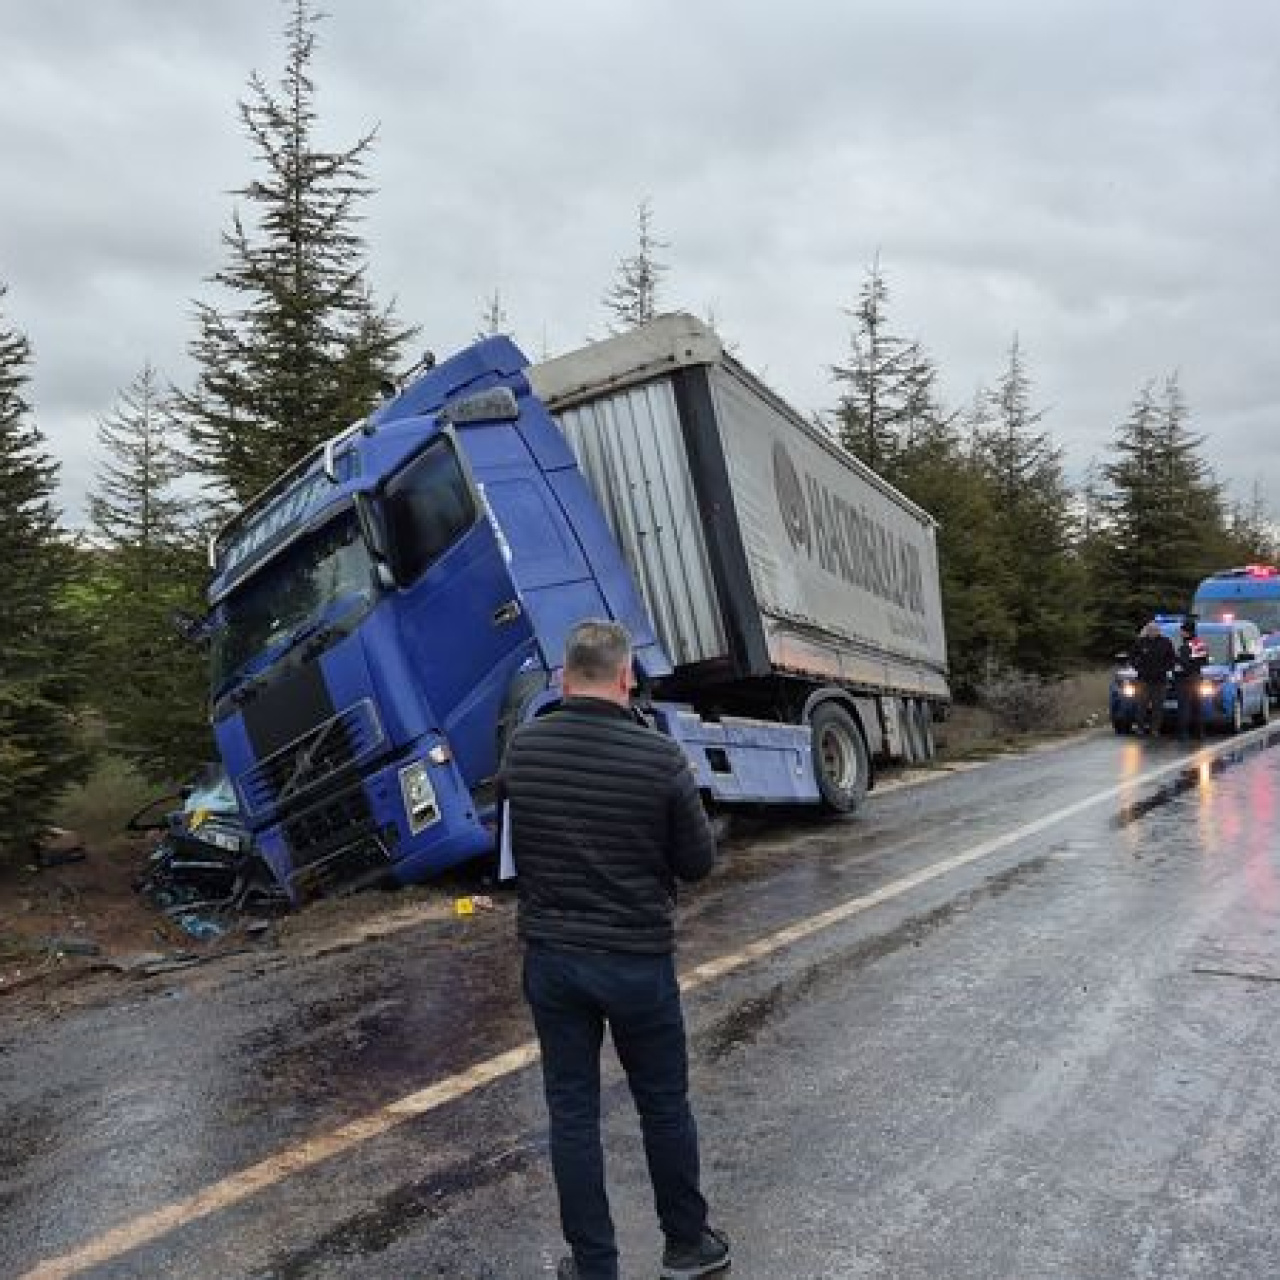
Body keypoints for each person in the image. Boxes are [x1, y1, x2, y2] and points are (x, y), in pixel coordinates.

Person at [499, 619, 731, 1280]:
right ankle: (688, 1247)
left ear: (564, 677)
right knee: (662, 1103)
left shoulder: (524, 749)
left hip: (553, 959)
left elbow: (515, 851)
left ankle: (595, 1266)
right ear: (626, 677)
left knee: (571, 1113)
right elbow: (697, 866)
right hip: (636, 959)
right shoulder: (658, 757)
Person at [1129, 620, 1177, 735]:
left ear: (1159, 631)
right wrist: (1138, 668)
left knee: (1158, 707)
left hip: (1160, 681)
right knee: (1141, 705)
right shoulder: (1140, 642)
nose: (1152, 632)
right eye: (1150, 629)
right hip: (1143, 680)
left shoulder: (1166, 642)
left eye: (1154, 630)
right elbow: (1132, 657)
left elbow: (1172, 659)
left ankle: (1155, 729)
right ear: (1147, 630)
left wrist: (1165, 669)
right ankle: (1140, 727)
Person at [1174, 616, 1209, 741]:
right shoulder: (1200, 643)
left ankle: (1183, 734)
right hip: (1197, 678)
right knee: (1197, 706)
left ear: (1187, 631)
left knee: (1184, 707)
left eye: (1182, 630)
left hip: (1185, 680)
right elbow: (1204, 661)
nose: (1180, 632)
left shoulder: (1186, 646)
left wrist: (1176, 662)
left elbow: (1183, 664)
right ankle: (1199, 733)